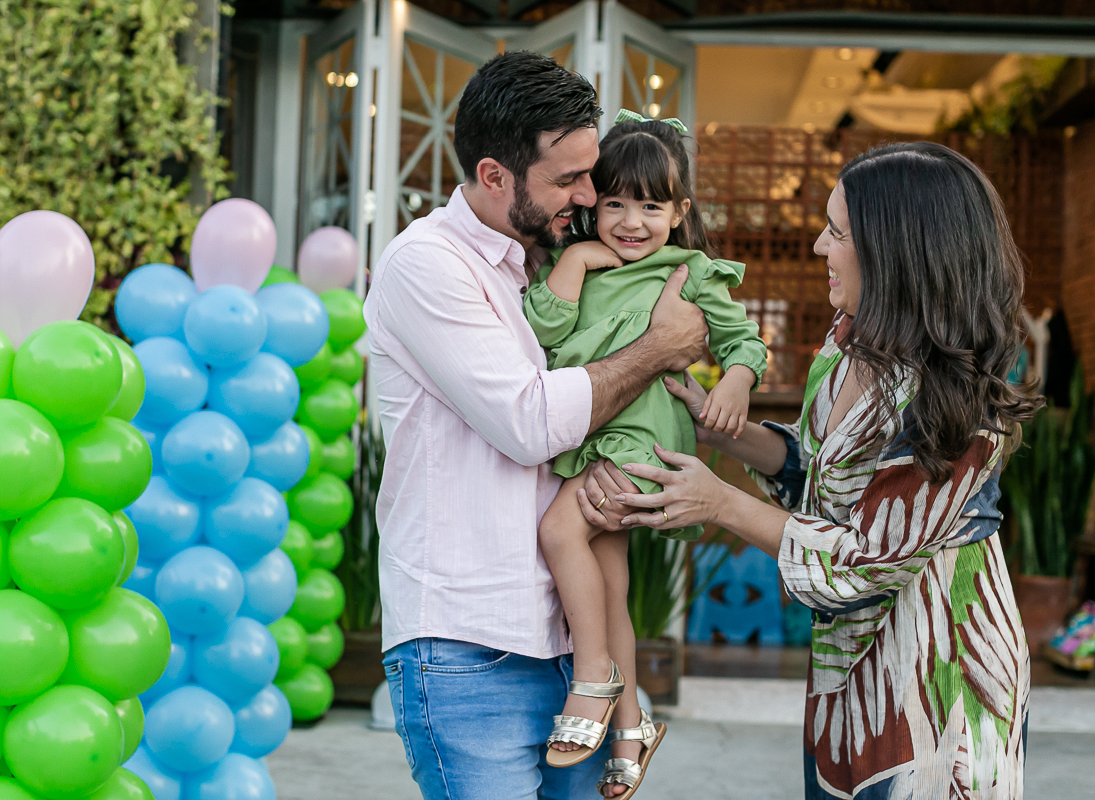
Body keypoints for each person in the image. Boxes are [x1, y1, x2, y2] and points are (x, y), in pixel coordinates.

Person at [581, 142, 1040, 799]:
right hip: (849, 673)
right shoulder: (847, 340)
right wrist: (725, 434)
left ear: (896, 250)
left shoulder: (955, 406)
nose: (820, 247)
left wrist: (721, 505)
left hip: (938, 688)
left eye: (838, 232)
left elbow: (866, 559)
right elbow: (828, 475)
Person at [363, 52, 709, 800]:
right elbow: (528, 422)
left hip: (567, 647)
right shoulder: (428, 264)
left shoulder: (551, 263)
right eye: (568, 180)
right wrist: (657, 350)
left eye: (592, 173)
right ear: (494, 176)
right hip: (468, 647)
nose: (590, 194)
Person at [524, 111, 767, 798]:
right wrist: (575, 258)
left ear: (679, 211)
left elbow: (742, 342)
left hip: (645, 442)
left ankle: (593, 677)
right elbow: (545, 324)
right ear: (593, 205)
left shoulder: (690, 270)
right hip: (590, 441)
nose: (632, 222)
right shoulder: (584, 265)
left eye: (651, 206)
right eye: (615, 204)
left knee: (558, 529)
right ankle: (630, 727)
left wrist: (739, 383)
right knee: (609, 587)